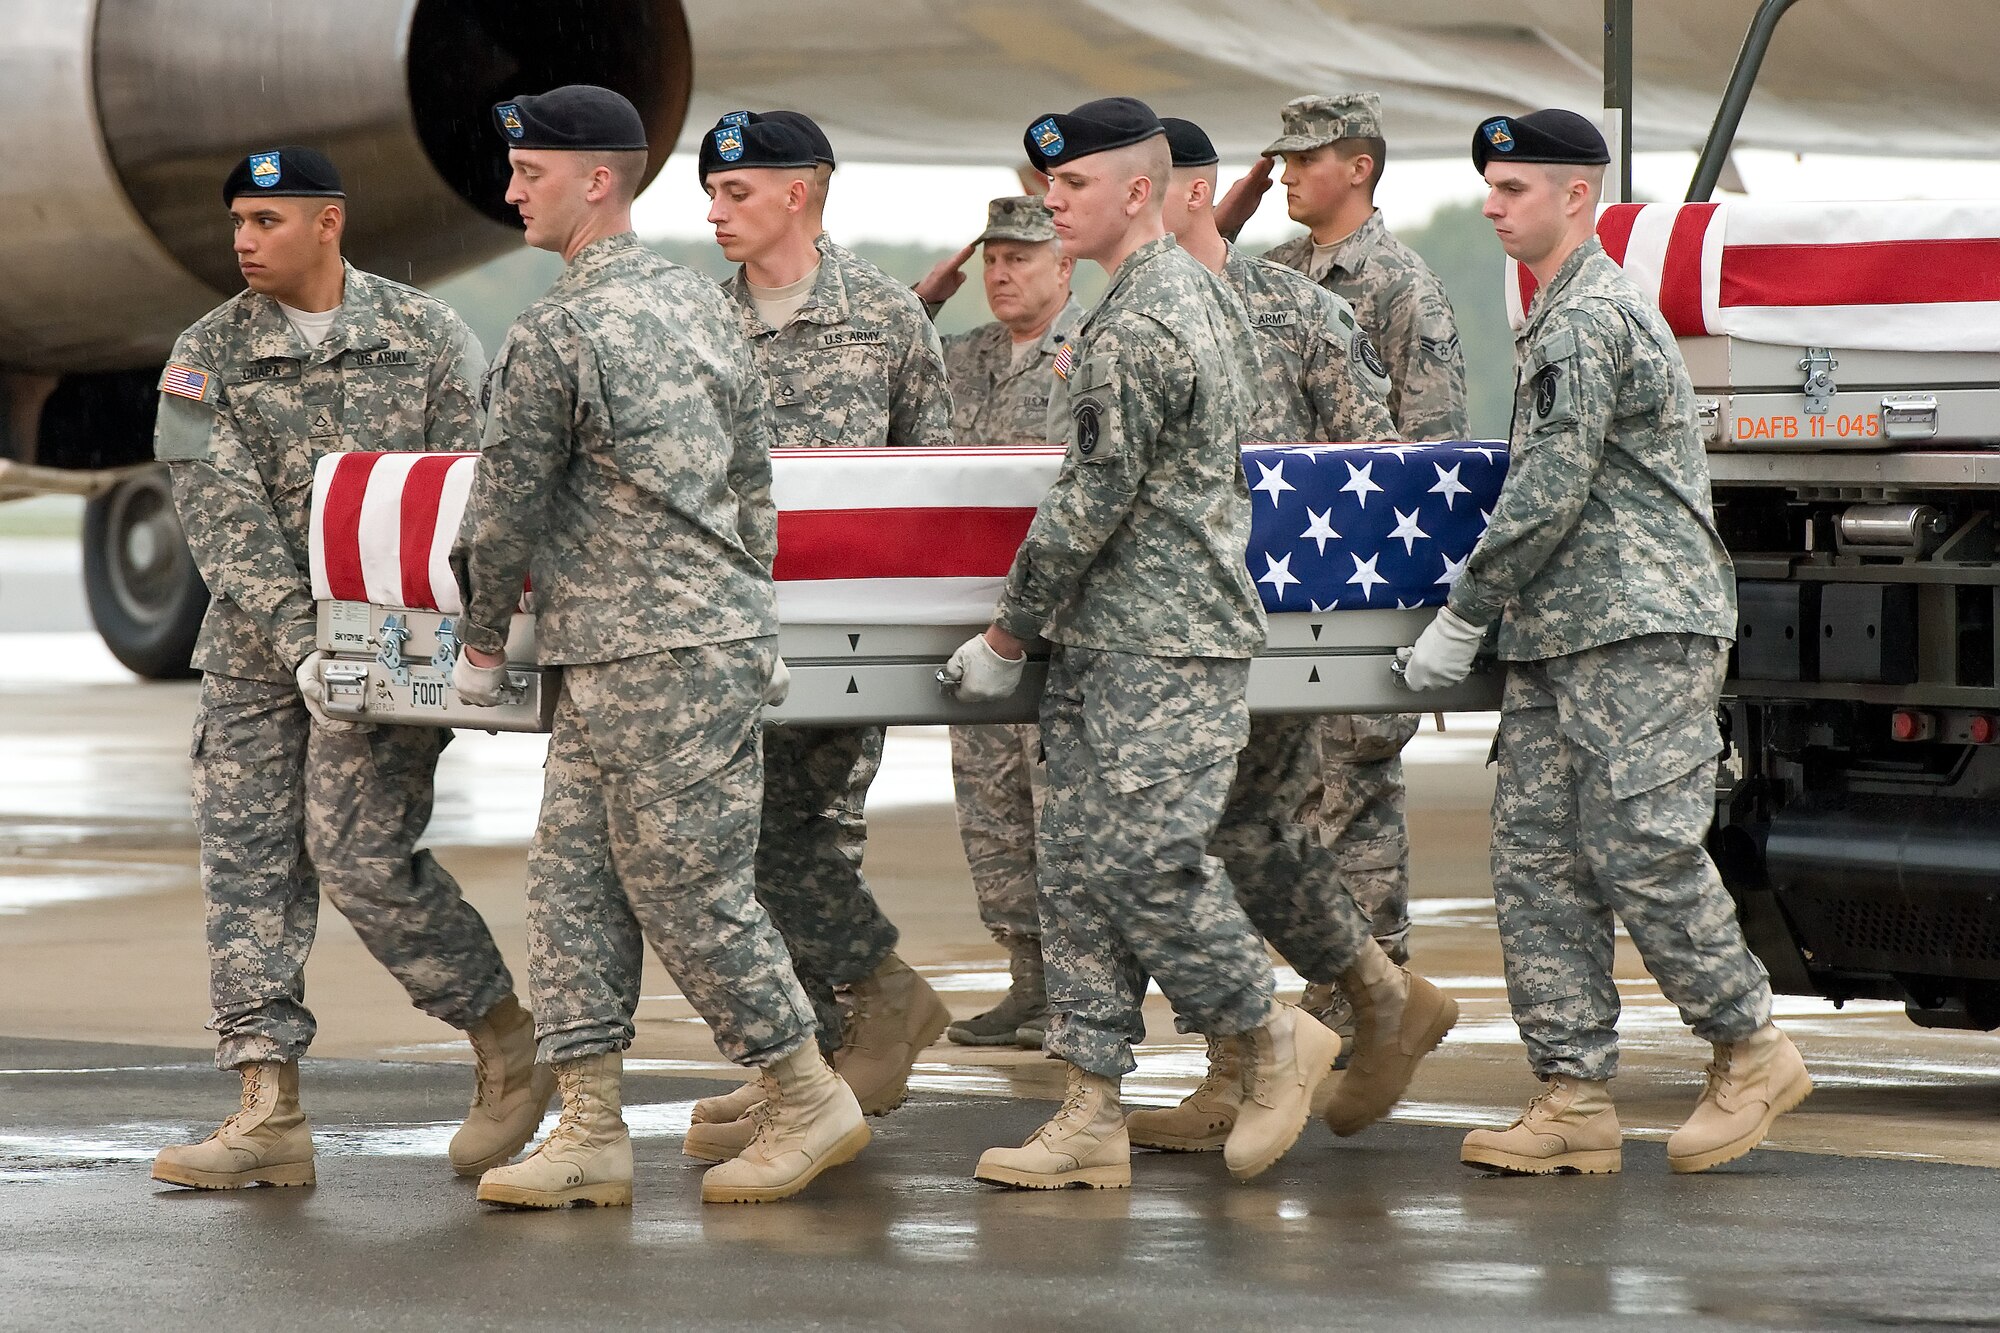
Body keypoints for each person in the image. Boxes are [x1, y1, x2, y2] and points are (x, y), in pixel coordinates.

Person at [946, 97, 1380, 1191]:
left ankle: (1267, 1036)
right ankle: (1089, 1106)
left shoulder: (1142, 319)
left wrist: (1005, 628)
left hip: (1160, 641)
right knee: (1080, 872)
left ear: (1136, 192)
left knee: (1142, 860)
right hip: (1119, 638)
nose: (1053, 202)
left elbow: (1089, 500)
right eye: (1050, 185)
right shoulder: (1169, 294)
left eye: (1074, 186)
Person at [454, 86, 867, 1208]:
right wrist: (753, 610)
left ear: (597, 181)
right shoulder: (704, 313)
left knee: (688, 890)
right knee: (571, 882)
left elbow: (501, 510)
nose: (509, 191)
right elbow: (752, 487)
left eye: (527, 173)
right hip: (649, 650)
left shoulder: (560, 328)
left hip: (653, 656)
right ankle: (588, 1123)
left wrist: (479, 643)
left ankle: (801, 1088)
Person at [1402, 108, 1811, 1175]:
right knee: (1536, 862)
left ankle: (1748, 1047)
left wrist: (1464, 612)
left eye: (1513, 190)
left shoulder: (1588, 316)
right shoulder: (1554, 312)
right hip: (1563, 630)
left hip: (1635, 624)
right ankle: (1572, 1094)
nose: (1492, 207)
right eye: (1488, 191)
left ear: (1575, 196)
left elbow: (1546, 487)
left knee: (1640, 846)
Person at [149, 147, 547, 1191]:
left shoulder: (423, 336)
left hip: (391, 658)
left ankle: (507, 1039)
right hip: (253, 660)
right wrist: (296, 640)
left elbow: (470, 489)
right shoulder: (206, 353)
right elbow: (217, 513)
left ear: (328, 223)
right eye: (236, 218)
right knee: (249, 870)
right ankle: (267, 1105)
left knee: (362, 855)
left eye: (266, 220)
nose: (243, 239)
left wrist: (463, 635)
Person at [1115, 116, 1457, 1154]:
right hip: (1195, 626)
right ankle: (1271, 1048)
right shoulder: (1147, 310)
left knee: (1288, 838)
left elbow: (1390, 465)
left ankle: (1340, 1030)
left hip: (1299, 622)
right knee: (1219, 843)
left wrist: (1385, 636)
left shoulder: (1303, 307)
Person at [684, 109, 956, 1162]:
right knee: (737, 853)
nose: (714, 212)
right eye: (708, 193)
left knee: (801, 841)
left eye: (735, 193)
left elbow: (928, 481)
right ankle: (802, 1061)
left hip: (845, 642)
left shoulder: (885, 319)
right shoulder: (696, 325)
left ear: (797, 192)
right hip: (726, 633)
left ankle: (847, 1041)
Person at [1218, 90, 1470, 1050]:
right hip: (1279, 582)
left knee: (1355, 784)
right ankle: (1343, 977)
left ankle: (1379, 982)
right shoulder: (1274, 274)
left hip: (1362, 580)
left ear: (1357, 166)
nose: (1282, 172)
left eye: (1302, 158)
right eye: (1277, 159)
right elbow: (1191, 279)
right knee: (1285, 796)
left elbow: (1430, 451)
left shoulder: (1404, 286)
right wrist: (1226, 214)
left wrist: (1414, 608)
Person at [910, 195, 1083, 1050]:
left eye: (1022, 256)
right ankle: (1028, 982)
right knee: (992, 811)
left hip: (1057, 627)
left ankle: (1083, 995)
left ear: (1066, 265)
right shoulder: (964, 355)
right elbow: (883, 369)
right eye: (992, 258)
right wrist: (923, 300)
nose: (1002, 272)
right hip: (971, 626)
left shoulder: (1087, 349)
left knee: (1061, 813)